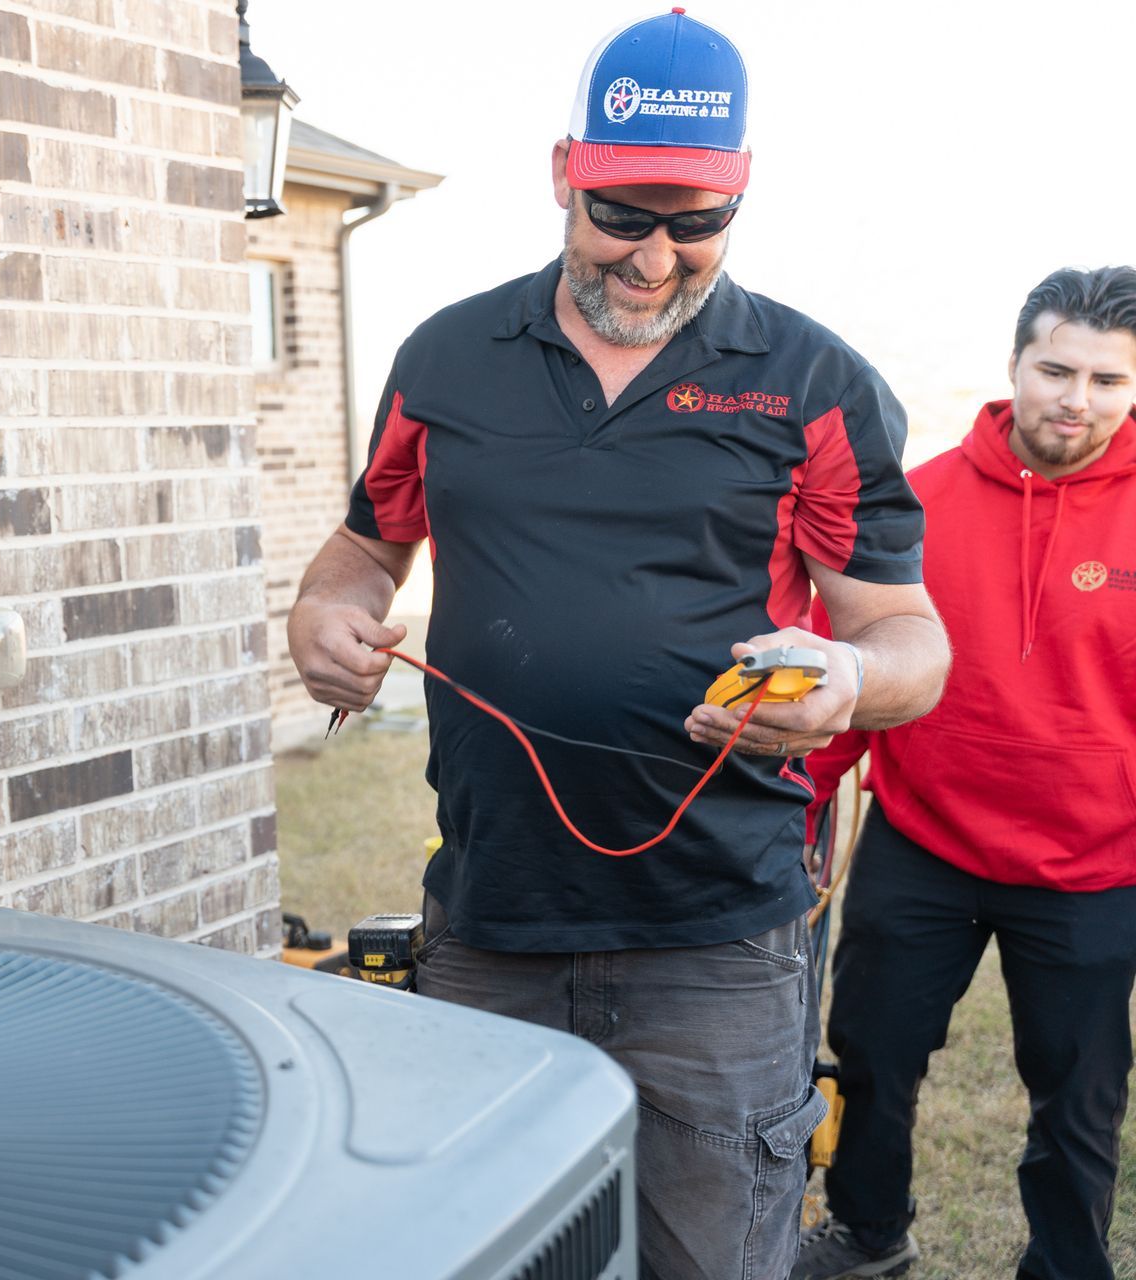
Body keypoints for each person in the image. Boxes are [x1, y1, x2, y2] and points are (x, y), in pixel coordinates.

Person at [286, 10, 952, 1278]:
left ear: (738, 201)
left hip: (716, 938)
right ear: (563, 173)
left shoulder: (815, 379)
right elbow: (366, 548)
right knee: (502, 1251)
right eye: (625, 213)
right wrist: (323, 615)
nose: (655, 257)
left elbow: (909, 635)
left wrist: (852, 682)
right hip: (489, 920)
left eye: (696, 222)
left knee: (710, 1256)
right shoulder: (445, 357)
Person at [793, 268, 1136, 1280]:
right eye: (1057, 368)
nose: (1078, 398)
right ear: (1015, 366)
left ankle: (1068, 1263)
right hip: (925, 839)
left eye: (1109, 381)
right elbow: (849, 667)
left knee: (1079, 1089)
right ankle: (867, 1232)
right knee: (871, 1052)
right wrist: (802, 807)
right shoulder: (921, 500)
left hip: (1093, 863)